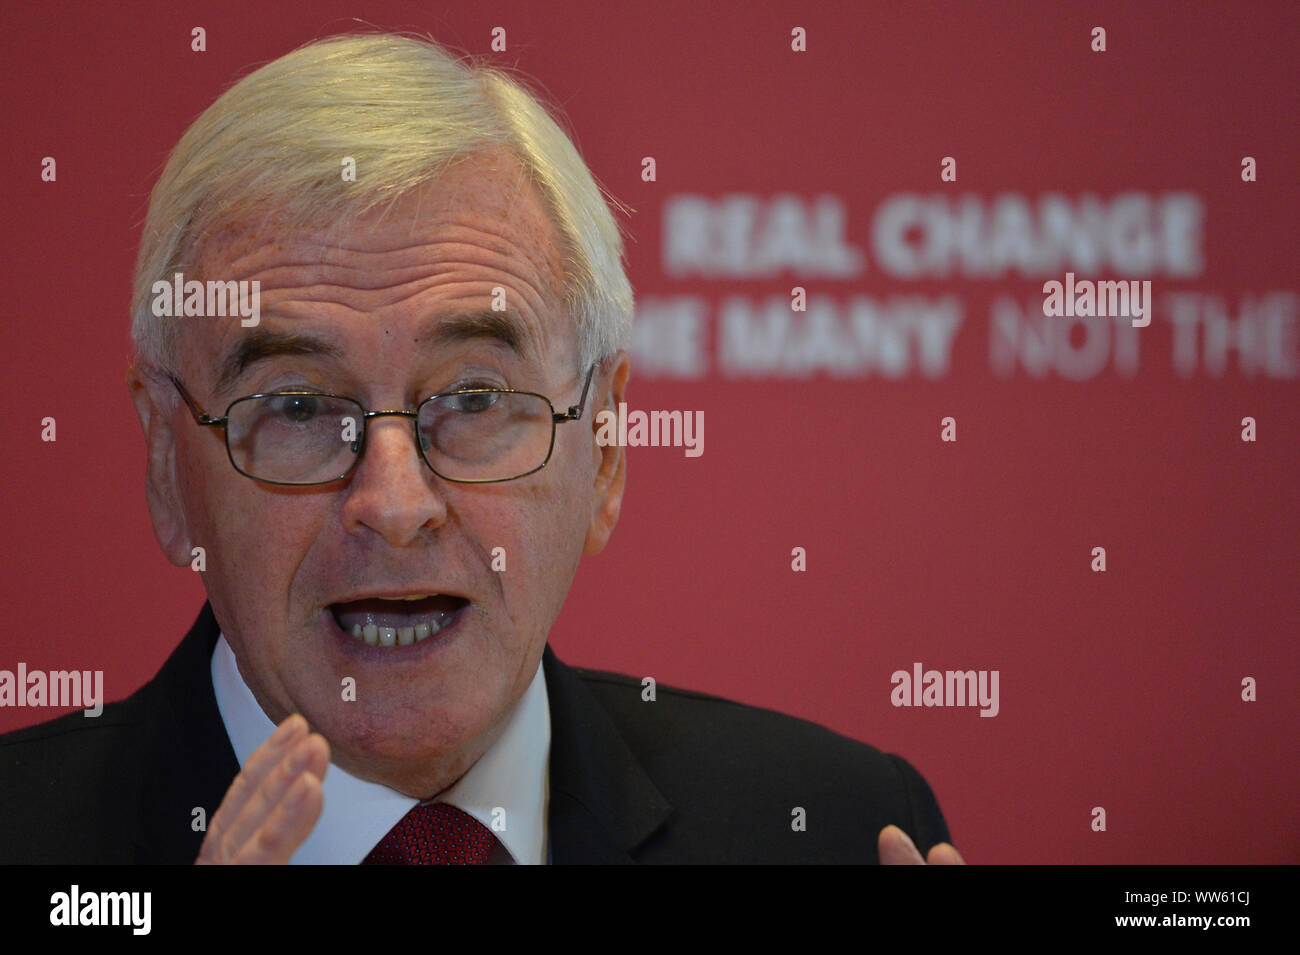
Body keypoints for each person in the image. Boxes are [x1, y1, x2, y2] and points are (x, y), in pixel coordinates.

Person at [0, 32, 963, 865]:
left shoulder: (834, 833)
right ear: (170, 465)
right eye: (296, 404)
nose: (394, 501)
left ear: (608, 448)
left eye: (472, 397)